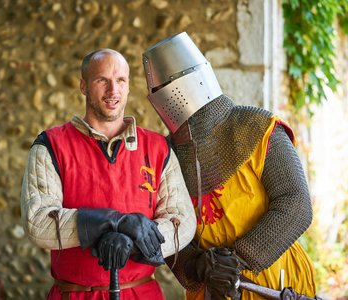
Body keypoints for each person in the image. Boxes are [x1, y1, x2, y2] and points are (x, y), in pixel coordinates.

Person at [142, 32, 317, 299]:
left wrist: (237, 261)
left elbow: (296, 205)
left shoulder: (255, 128)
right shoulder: (165, 159)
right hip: (210, 289)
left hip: (276, 283)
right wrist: (200, 266)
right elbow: (168, 231)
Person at [20, 48, 196, 300]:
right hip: (75, 295)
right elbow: (38, 222)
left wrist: (132, 243)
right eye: (102, 80)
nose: (113, 90)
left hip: (141, 294)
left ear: (128, 86)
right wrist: (114, 223)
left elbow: (182, 221)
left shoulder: (157, 147)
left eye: (120, 81)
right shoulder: (50, 145)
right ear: (83, 86)